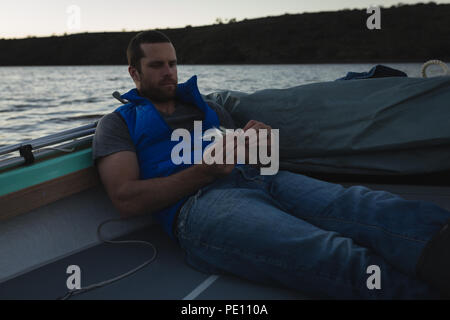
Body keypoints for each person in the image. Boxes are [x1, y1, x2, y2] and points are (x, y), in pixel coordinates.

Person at [92, 30, 450, 299]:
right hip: (199, 207)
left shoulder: (209, 109)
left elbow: (253, 158)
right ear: (134, 73)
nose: (169, 72)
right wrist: (203, 171)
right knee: (328, 251)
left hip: (261, 179)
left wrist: (260, 143)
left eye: (172, 63)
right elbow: (127, 199)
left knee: (369, 206)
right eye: (156, 65)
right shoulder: (118, 124)